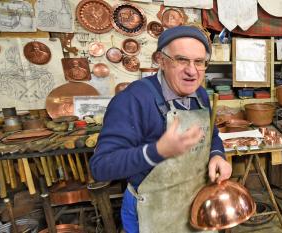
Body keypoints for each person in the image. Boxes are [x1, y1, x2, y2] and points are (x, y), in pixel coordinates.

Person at [90, 25, 232, 233]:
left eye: (199, 62)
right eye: (181, 60)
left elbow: (211, 135)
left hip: (194, 204)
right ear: (161, 60)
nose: (192, 71)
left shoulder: (200, 95)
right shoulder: (133, 100)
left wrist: (217, 155)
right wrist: (157, 151)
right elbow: (101, 167)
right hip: (153, 212)